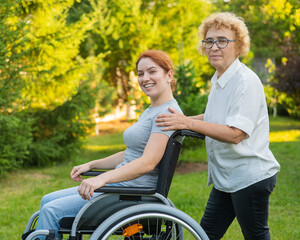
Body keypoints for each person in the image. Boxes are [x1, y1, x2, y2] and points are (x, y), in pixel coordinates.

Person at [30, 50, 183, 240]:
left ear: (169, 75)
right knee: (46, 200)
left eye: (152, 71)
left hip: (129, 194)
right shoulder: (152, 110)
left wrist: (101, 179)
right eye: (141, 73)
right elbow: (130, 154)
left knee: (52, 211)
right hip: (120, 188)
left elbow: (147, 163)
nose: (145, 78)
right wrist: (92, 165)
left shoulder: (166, 115)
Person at [155, 12, 280, 240]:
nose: (214, 47)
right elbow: (214, 117)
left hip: (249, 177)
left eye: (222, 41)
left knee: (255, 235)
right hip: (227, 177)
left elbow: (235, 133)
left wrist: (187, 122)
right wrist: (179, 122)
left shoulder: (245, 81)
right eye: (209, 41)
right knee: (206, 234)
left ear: (239, 45)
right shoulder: (220, 79)